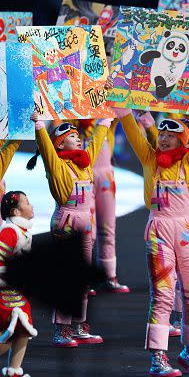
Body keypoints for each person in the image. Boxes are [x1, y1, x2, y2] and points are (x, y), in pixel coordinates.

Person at [114, 107, 189, 376]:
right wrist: (123, 110)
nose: (162, 139)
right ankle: (158, 358)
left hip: (187, 232)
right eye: (160, 133)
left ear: (183, 141)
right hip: (158, 231)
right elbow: (130, 130)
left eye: (169, 136)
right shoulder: (150, 159)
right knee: (162, 296)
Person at [29, 113, 109, 348]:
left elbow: (95, 143)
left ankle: (80, 324)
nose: (79, 139)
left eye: (77, 135)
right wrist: (39, 126)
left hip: (86, 221)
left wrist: (104, 122)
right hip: (67, 220)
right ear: (60, 143)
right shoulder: (57, 165)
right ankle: (61, 329)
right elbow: (45, 148)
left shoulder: (84, 162)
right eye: (72, 136)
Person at [77, 119, 129, 293]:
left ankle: (108, 275)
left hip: (105, 176)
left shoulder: (107, 115)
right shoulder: (72, 112)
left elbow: (121, 106)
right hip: (81, 176)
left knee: (107, 227)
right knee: (85, 230)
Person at [0, 191, 37, 377]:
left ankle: (14, 371)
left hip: (17, 291)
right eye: (27, 203)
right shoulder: (10, 232)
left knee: (23, 328)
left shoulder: (22, 232)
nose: (31, 206)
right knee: (9, 332)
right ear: (15, 211)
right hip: (6, 291)